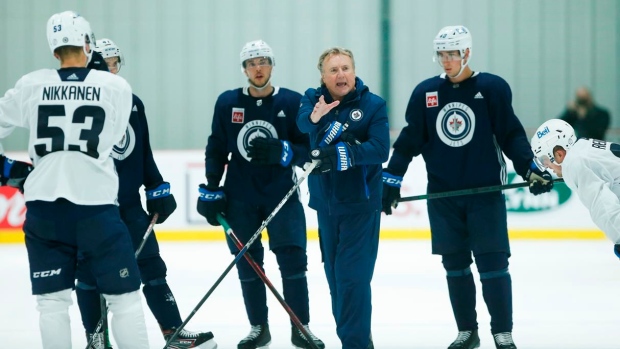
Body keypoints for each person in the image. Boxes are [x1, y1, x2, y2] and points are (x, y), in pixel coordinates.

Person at [381, 26, 554, 349]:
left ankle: (502, 332)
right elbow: (409, 141)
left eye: (452, 54)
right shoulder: (426, 94)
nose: (446, 62)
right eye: (442, 55)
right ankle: (467, 331)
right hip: (444, 197)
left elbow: (511, 135)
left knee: (493, 264)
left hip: (484, 195)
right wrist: (392, 177)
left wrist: (529, 167)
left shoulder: (491, 88)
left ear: (467, 54)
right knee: (455, 266)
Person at [0, 11, 150, 349]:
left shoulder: (31, 84)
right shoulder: (115, 86)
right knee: (123, 298)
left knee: (51, 303)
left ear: (54, 50)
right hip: (96, 208)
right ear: (87, 44)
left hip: (44, 208)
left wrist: (7, 168)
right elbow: (111, 140)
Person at [72, 38, 217, 349]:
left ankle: (174, 333)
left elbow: (143, 152)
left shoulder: (132, 101)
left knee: (152, 266)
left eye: (115, 63)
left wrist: (156, 187)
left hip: (130, 207)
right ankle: (96, 339)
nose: (111, 69)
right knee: (88, 273)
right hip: (92, 209)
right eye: (104, 62)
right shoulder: (78, 103)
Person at [196, 39, 324, 349]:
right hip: (240, 197)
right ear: (244, 69)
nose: (258, 67)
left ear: (272, 65)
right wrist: (212, 187)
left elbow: (309, 150)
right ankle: (258, 327)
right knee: (248, 263)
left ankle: (300, 326)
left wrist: (285, 151)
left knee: (293, 260)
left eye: (263, 61)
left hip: (281, 194)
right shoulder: (228, 103)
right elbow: (216, 148)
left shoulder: (291, 102)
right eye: (251, 63)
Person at [296, 47, 390, 349]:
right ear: (323, 76)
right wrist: (315, 116)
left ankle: (356, 343)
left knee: (352, 280)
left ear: (354, 71)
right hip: (326, 207)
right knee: (337, 281)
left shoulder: (373, 105)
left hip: (361, 206)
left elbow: (379, 150)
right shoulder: (313, 99)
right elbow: (302, 124)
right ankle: (357, 339)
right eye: (333, 70)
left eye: (346, 68)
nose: (341, 75)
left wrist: (338, 153)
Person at [531, 118, 620, 257]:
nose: (546, 167)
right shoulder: (583, 148)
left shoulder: (575, 163)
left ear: (559, 154)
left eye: (544, 160)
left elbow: (603, 207)